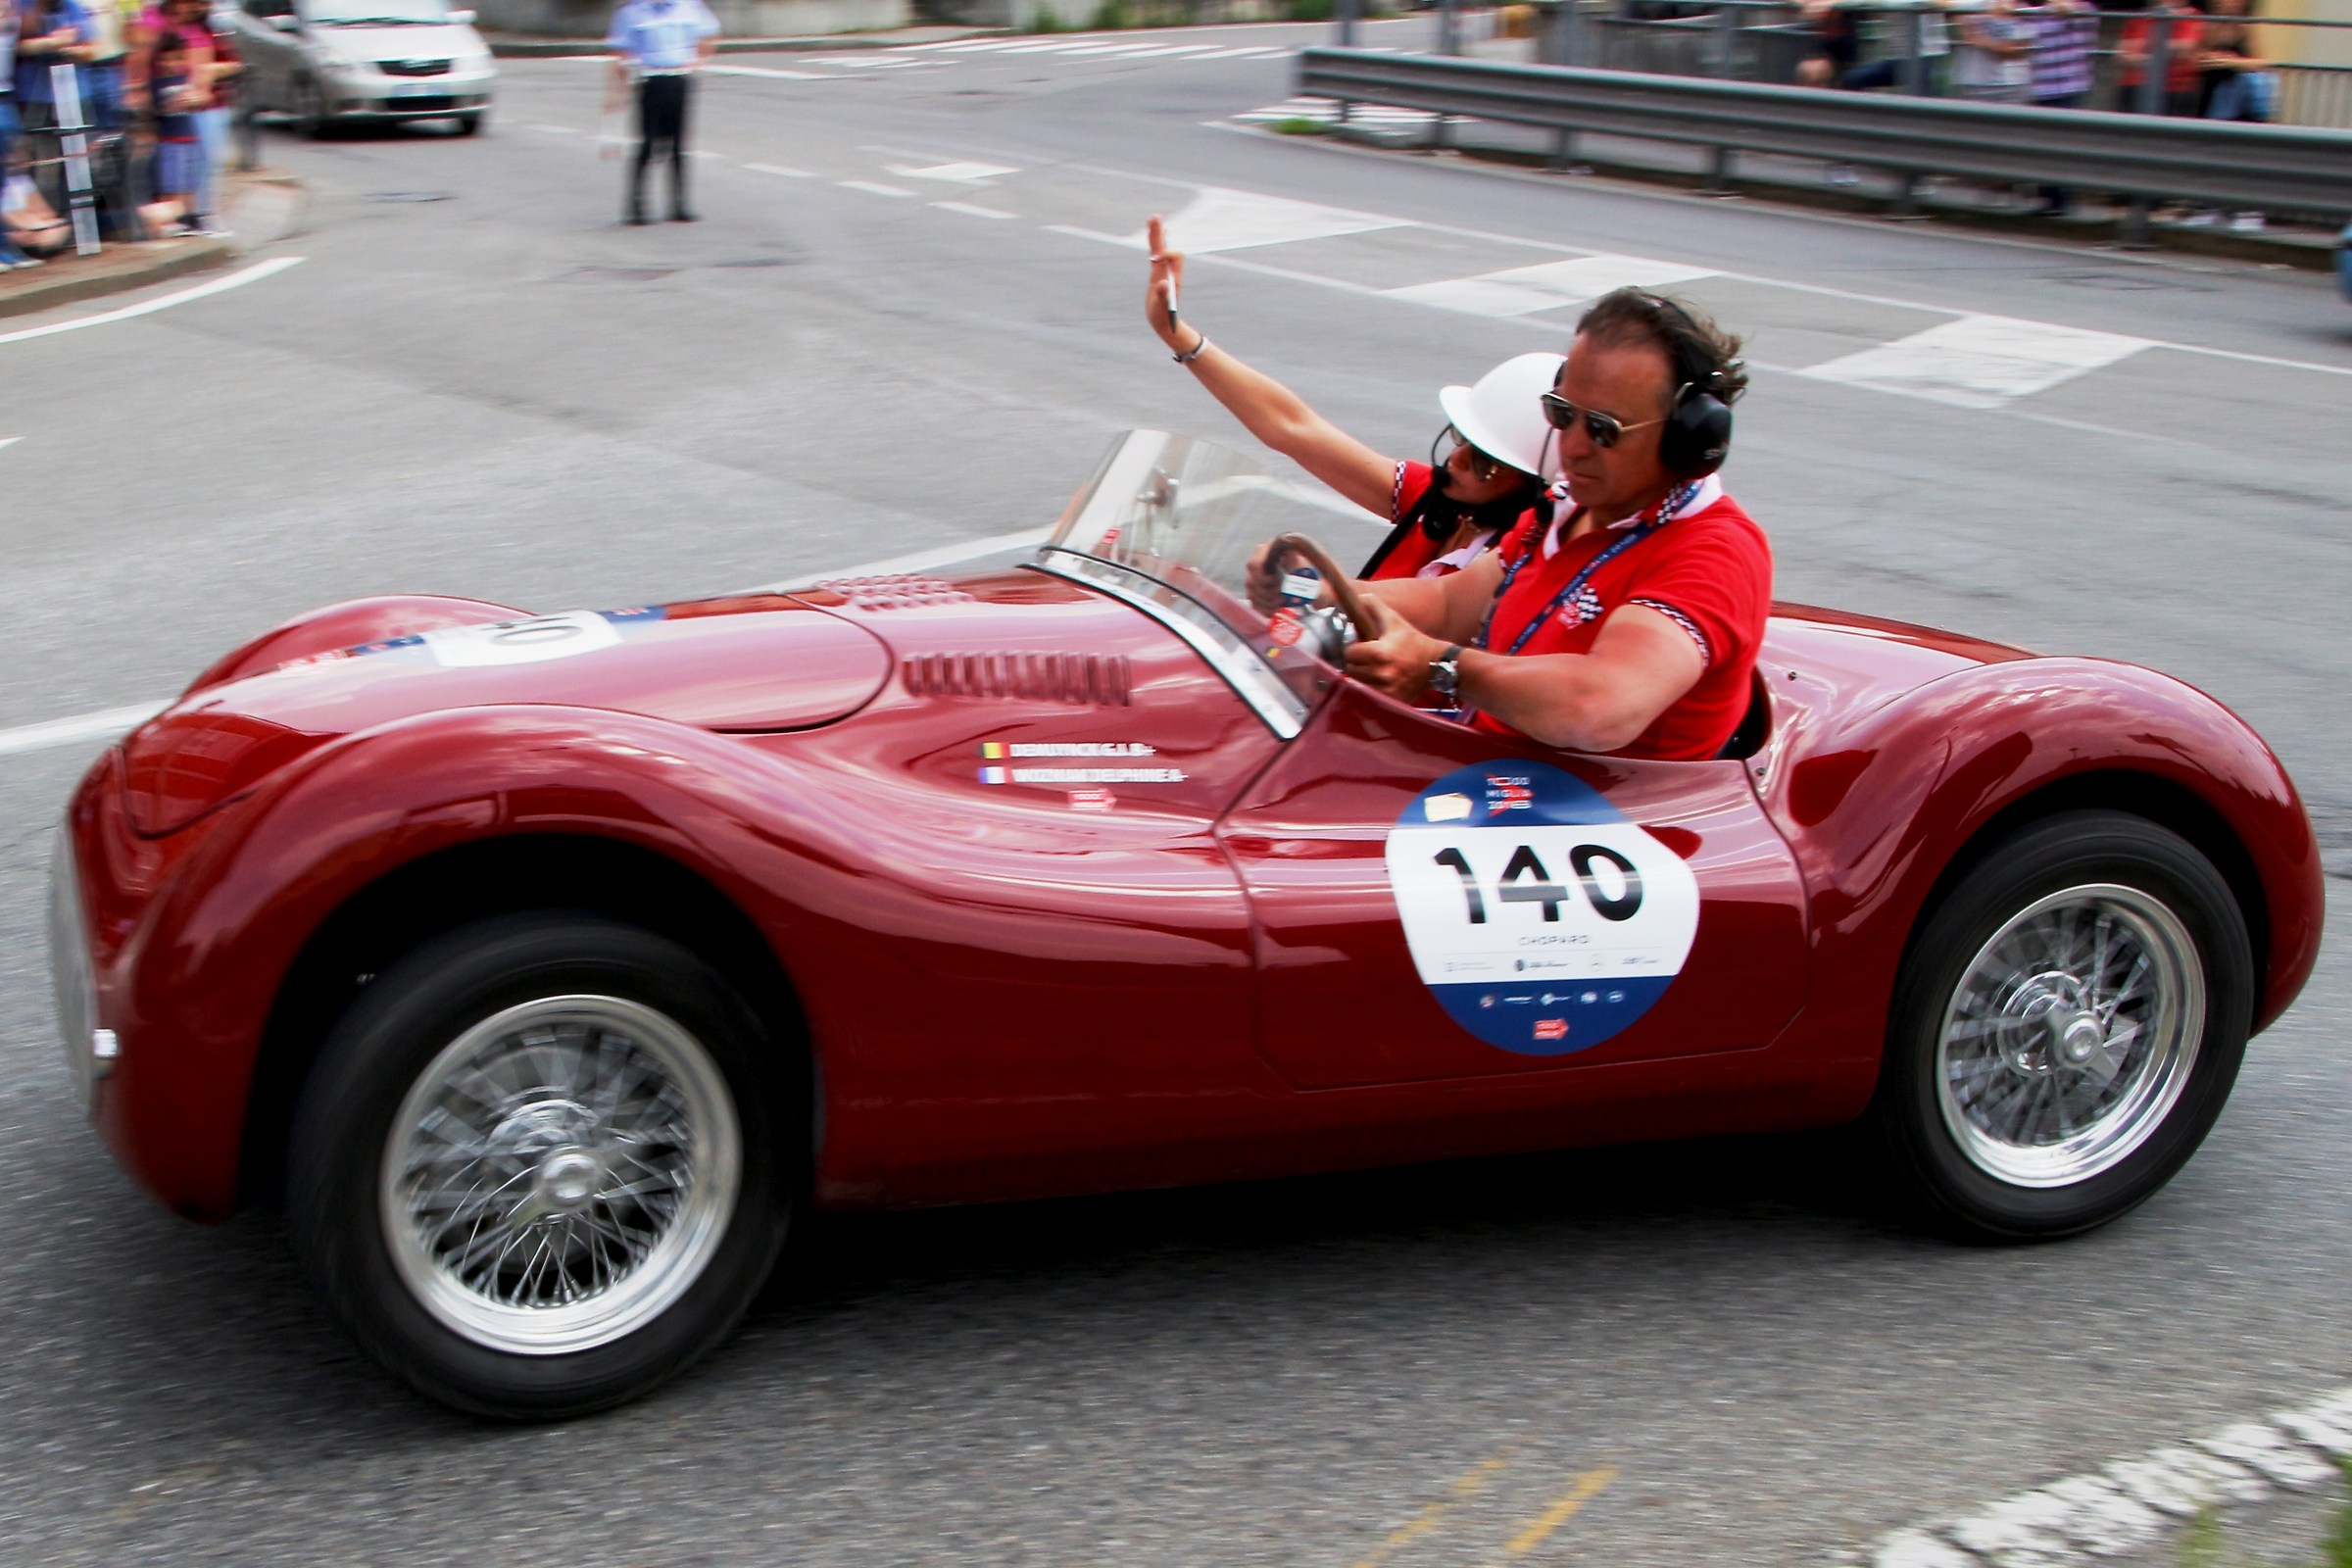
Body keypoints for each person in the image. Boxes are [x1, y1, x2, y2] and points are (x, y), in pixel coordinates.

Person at [1331, 289, 1771, 760]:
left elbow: (1600, 706)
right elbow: (1449, 604)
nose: (1573, 447)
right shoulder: (1566, 507)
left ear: (1686, 440)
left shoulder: (1716, 551)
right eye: (1563, 414)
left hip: (1604, 814)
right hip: (1494, 778)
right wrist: (1316, 592)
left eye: (1603, 429)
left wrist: (1438, 666)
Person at [1144, 213, 1558, 583]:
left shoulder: (1514, 566)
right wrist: (1179, 337)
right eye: (1461, 438)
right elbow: (1294, 428)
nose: (1457, 461)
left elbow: (1422, 631)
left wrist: (1316, 591)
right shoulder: (1433, 500)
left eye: (1485, 462)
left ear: (1533, 491)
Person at [604, 0, 716, 225]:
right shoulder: (632, 12)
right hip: (650, 80)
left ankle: (679, 204)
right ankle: (636, 206)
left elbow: (709, 34)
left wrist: (698, 62)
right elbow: (620, 55)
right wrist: (618, 91)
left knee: (678, 145)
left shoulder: (689, 6)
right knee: (647, 144)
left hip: (679, 79)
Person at [2120, 0, 2204, 116]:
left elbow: (2185, 49)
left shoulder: (2193, 17)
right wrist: (2162, 53)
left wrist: (2145, 48)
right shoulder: (2139, 17)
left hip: (2176, 88)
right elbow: (2121, 56)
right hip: (2135, 84)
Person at [1953, 0, 2034, 103]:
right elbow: (1944, 5)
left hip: (2013, 85)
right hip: (1974, 85)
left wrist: (1982, 40)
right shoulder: (1970, 5)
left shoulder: (2023, 9)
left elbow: (2015, 51)